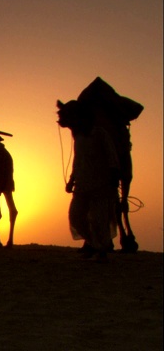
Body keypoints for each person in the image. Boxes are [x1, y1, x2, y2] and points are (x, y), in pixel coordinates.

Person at [65, 107, 120, 262]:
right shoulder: (79, 138)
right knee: (76, 217)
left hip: (100, 184)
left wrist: (114, 175)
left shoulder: (100, 134)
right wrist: (71, 180)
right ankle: (94, 244)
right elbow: (78, 161)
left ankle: (101, 251)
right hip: (82, 184)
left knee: (99, 219)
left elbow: (111, 155)